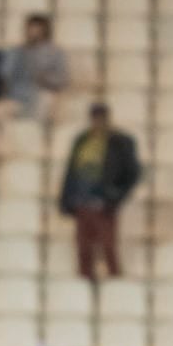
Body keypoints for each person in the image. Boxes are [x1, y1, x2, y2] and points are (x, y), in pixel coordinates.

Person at [58, 102, 142, 282]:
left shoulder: (119, 142)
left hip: (103, 203)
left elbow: (133, 173)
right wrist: (66, 200)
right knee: (84, 248)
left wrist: (116, 194)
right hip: (82, 201)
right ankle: (85, 282)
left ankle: (114, 284)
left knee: (108, 245)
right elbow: (71, 171)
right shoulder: (82, 140)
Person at [3, 15, 68, 123]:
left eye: (36, 28)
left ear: (44, 30)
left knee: (46, 100)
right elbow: (5, 74)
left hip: (42, 95)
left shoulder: (55, 53)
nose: (32, 32)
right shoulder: (16, 51)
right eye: (30, 28)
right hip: (17, 97)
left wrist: (45, 78)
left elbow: (62, 80)